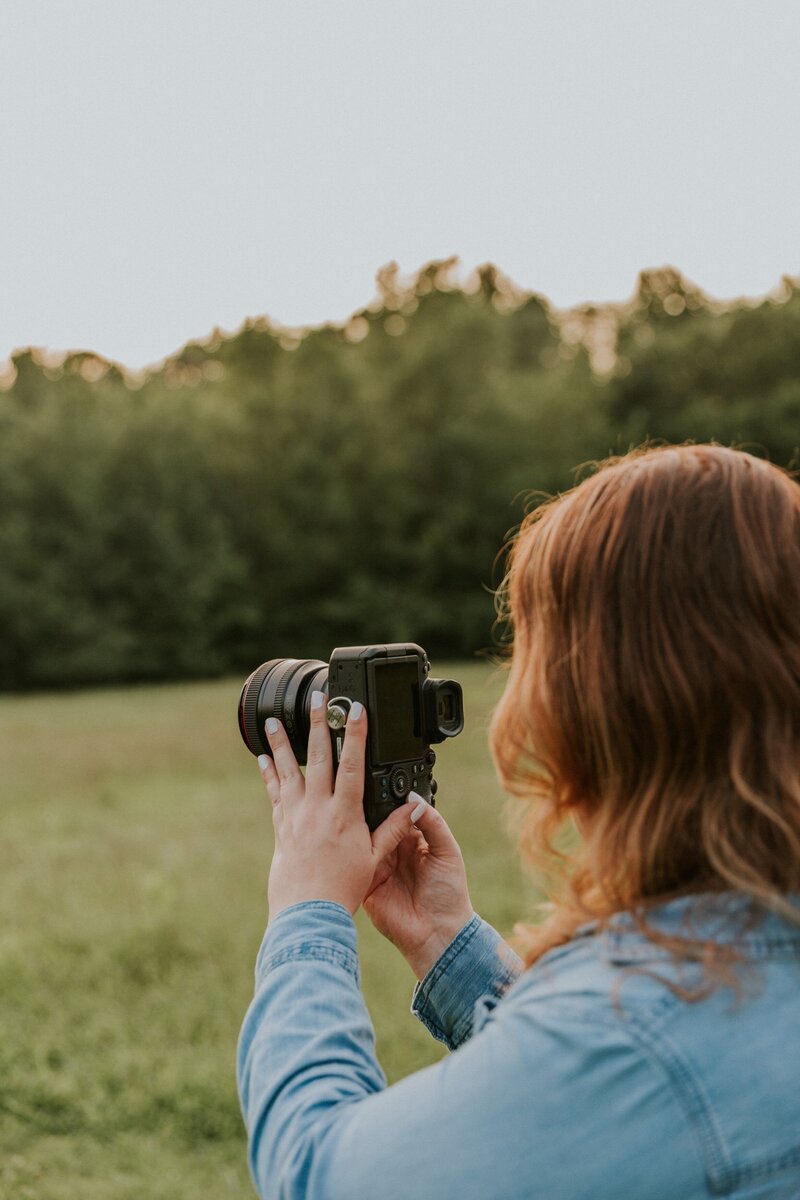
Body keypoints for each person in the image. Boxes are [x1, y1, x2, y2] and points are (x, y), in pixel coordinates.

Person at [237, 443, 800, 1199]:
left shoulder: (642, 1034)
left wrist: (306, 914)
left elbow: (317, 1174)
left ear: (589, 701)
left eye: (530, 644)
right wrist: (446, 942)